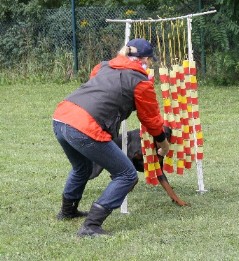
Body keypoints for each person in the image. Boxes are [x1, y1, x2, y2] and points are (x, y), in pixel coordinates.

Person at [52, 38, 170, 237]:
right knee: (127, 175)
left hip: (61, 118)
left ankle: (68, 211)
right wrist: (163, 143)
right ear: (143, 60)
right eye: (149, 60)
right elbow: (150, 118)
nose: (150, 65)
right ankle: (91, 226)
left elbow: (102, 81)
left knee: (82, 167)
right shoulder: (141, 82)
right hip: (85, 126)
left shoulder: (103, 66)